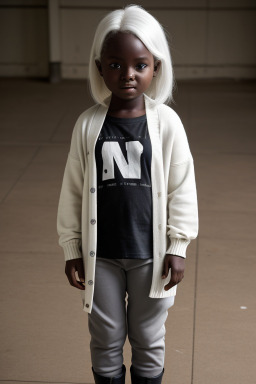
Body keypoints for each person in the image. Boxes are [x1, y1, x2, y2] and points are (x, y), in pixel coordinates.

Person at [57, 5, 198, 384]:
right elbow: (73, 188)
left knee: (149, 337)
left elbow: (182, 187)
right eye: (116, 65)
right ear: (100, 67)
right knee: (104, 337)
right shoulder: (88, 124)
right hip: (100, 255)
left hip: (149, 256)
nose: (128, 74)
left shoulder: (167, 124)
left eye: (140, 64)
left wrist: (178, 245)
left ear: (157, 68)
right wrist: (73, 247)